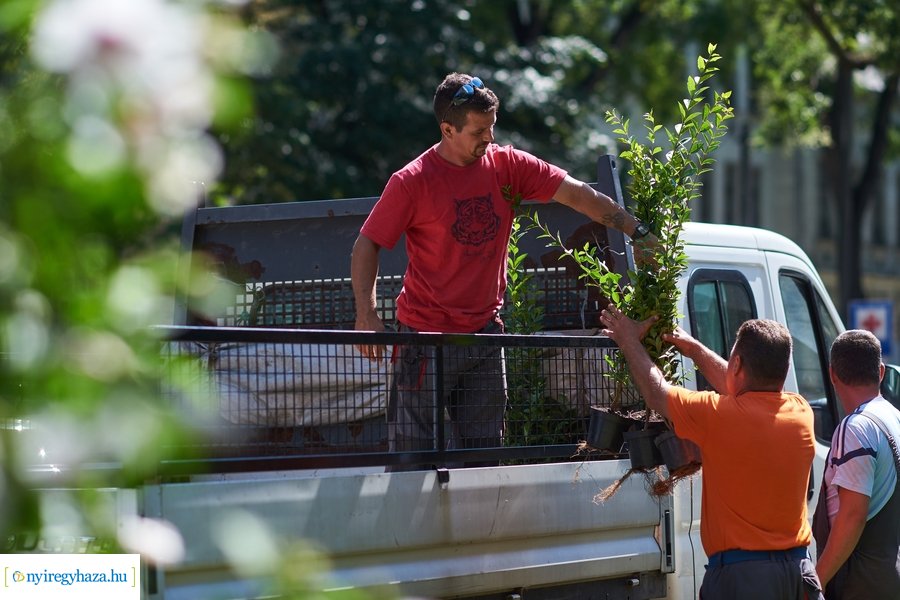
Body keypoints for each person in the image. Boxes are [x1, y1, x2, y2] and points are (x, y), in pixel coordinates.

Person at [350, 72, 656, 468]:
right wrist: (366, 313)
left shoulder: (507, 165)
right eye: (479, 131)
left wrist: (638, 230)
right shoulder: (412, 181)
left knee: (486, 459)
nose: (489, 139)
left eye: (492, 128)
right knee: (411, 459)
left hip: (485, 337)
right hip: (424, 340)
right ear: (448, 129)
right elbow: (367, 243)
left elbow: (578, 194)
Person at [598, 305, 823, 600]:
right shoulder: (800, 410)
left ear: (738, 363)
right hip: (799, 573)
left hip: (743, 579)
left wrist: (628, 339)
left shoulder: (719, 416)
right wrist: (694, 350)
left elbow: (657, 393)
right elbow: (739, 386)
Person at [812, 329, 900, 599]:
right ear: (881, 372)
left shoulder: (855, 428)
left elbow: (853, 516)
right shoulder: (894, 417)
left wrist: (817, 580)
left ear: (832, 374)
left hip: (861, 584)